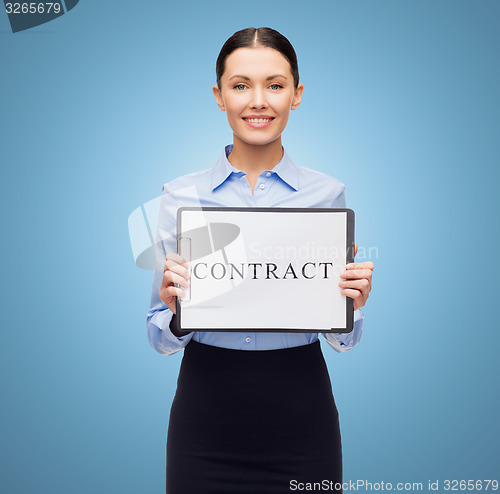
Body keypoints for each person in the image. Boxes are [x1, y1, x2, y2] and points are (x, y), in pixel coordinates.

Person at [146, 27, 374, 494]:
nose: (258, 101)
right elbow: (158, 335)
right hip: (204, 412)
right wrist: (175, 314)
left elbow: (344, 340)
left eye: (275, 85)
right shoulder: (179, 196)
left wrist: (348, 305)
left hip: (302, 411)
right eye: (240, 85)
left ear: (296, 94)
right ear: (219, 95)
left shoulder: (329, 194)